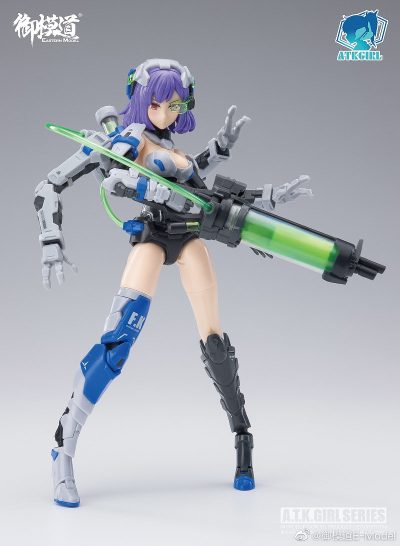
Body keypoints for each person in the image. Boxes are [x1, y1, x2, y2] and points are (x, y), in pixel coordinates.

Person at [34, 58, 311, 507]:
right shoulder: (127, 140)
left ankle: (242, 435)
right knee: (117, 343)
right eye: (157, 104)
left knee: (215, 342)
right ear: (142, 100)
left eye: (175, 105)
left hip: (190, 238)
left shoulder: (174, 150)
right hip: (153, 236)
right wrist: (51, 238)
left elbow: (205, 195)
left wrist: (264, 191)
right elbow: (82, 183)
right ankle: (63, 448)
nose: (165, 112)